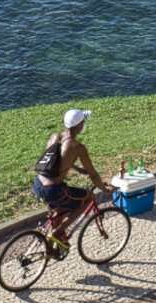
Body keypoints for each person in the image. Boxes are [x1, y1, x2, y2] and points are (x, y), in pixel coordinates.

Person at [32, 106, 112, 255]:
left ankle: (51, 244)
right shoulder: (78, 147)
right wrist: (104, 189)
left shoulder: (54, 137)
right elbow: (94, 175)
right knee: (88, 198)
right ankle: (58, 231)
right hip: (53, 190)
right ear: (80, 125)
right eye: (83, 122)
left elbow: (54, 160)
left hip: (37, 183)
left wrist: (77, 169)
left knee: (62, 205)